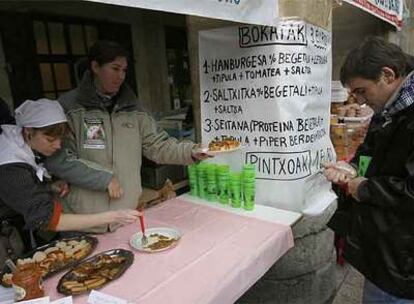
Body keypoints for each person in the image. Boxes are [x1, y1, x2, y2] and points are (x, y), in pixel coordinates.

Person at [45, 40, 210, 233]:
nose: (120, 76)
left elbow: (157, 146)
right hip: (82, 221)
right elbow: (60, 159)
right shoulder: (69, 108)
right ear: (95, 67)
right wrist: (104, 179)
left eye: (124, 70)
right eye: (115, 69)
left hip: (125, 217)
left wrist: (192, 152)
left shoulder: (134, 108)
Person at [324, 36, 414, 303]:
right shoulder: (392, 106)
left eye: (362, 91)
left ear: (388, 75)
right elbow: (369, 152)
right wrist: (350, 168)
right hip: (386, 251)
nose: (360, 102)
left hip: (404, 261)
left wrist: (364, 188)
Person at [0, 99, 141, 262]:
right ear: (28, 131)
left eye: (60, 139)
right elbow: (48, 219)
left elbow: (24, 191)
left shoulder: (21, 144)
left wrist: (48, 186)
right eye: (50, 139)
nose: (58, 146)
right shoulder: (9, 166)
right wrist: (113, 216)